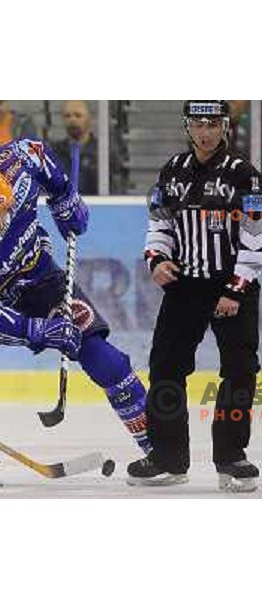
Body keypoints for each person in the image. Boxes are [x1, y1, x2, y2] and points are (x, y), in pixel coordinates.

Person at [0, 138, 151, 454]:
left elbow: (34, 148)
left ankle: (158, 447)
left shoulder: (17, 168)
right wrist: (34, 330)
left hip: (43, 280)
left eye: (5, 210)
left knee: (100, 355)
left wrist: (64, 198)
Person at [127, 101, 262, 492]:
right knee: (166, 367)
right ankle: (168, 458)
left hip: (232, 285)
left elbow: (255, 239)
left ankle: (231, 457)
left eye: (212, 124)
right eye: (198, 124)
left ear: (225, 126)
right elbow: (159, 224)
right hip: (184, 286)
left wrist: (236, 289)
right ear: (188, 126)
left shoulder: (245, 177)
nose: (205, 132)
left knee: (239, 372)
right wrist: (157, 259)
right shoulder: (172, 171)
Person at [51, 101, 99, 195]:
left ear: (89, 119)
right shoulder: (54, 152)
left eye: (78, 115)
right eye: (67, 116)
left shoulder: (102, 152)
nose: (72, 120)